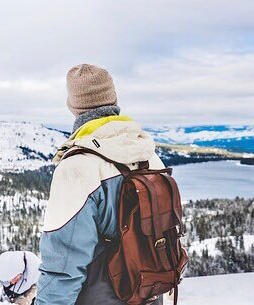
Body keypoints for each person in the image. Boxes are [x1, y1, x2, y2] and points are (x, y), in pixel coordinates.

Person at [35, 64, 165, 305]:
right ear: (114, 99)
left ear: (73, 106)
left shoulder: (77, 167)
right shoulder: (148, 155)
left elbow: (62, 266)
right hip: (148, 292)